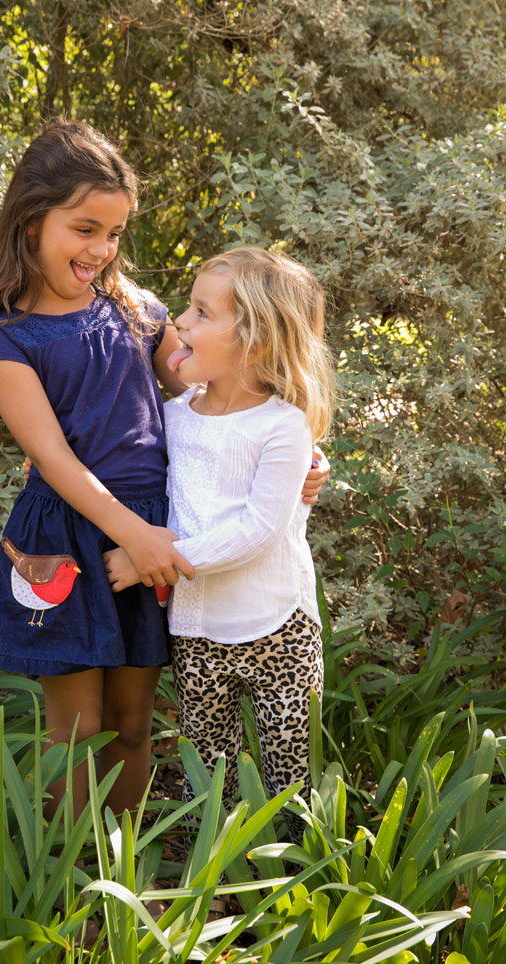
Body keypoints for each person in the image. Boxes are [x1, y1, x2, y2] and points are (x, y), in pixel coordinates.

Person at [0, 118, 328, 820]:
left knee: (133, 722)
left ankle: (124, 875)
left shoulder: (135, 311)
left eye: (113, 233)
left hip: (154, 531)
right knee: (73, 730)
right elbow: (54, 460)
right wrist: (132, 535)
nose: (101, 250)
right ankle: (70, 890)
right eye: (84, 229)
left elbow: (223, 389)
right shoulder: (8, 340)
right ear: (30, 219)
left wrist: (299, 460)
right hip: (69, 538)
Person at [104, 247, 334, 844]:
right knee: (208, 767)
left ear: (254, 339)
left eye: (201, 312)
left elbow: (258, 530)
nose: (180, 321)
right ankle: (212, 872)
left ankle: (297, 878)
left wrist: (152, 559)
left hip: (277, 625)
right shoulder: (174, 416)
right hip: (197, 630)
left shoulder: (283, 425)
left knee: (290, 771)